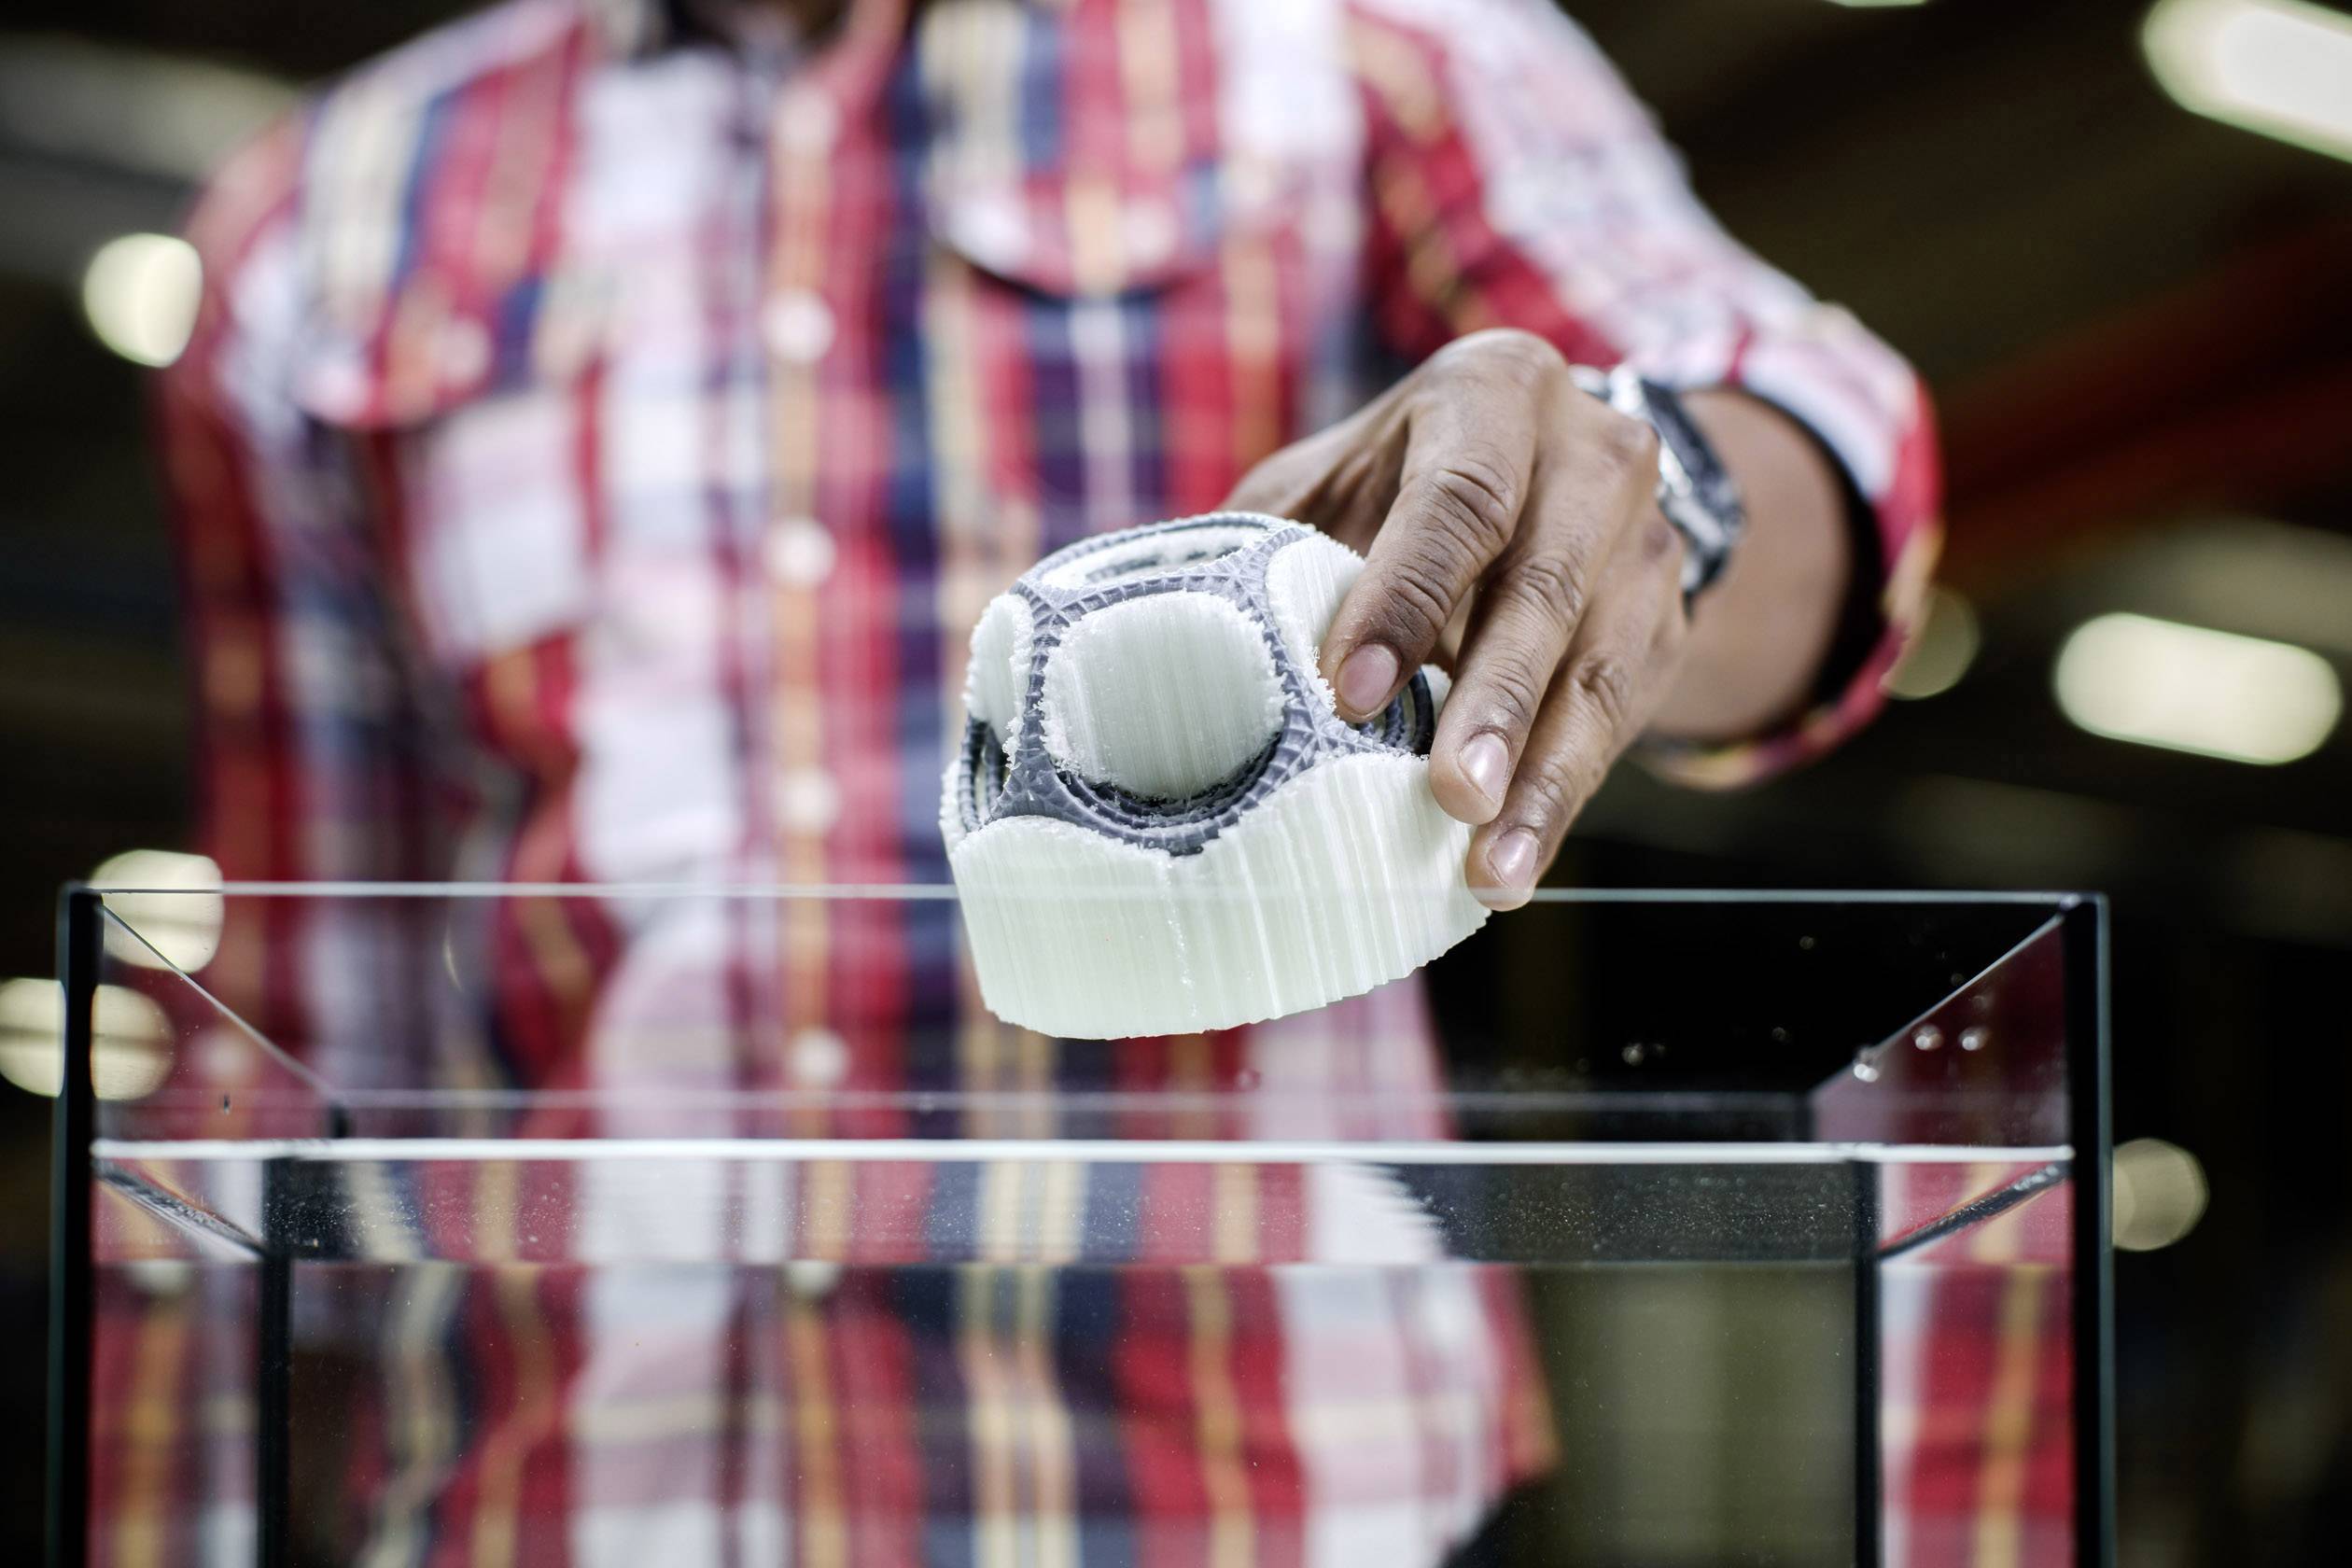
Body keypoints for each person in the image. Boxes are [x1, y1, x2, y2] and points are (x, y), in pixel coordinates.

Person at [110, 0, 2017, 1563]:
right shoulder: (324, 225)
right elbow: (293, 1025)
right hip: (573, 1487)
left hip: (1274, 1488)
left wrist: (1654, 483)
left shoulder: (1357, 51)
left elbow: (1810, 421)